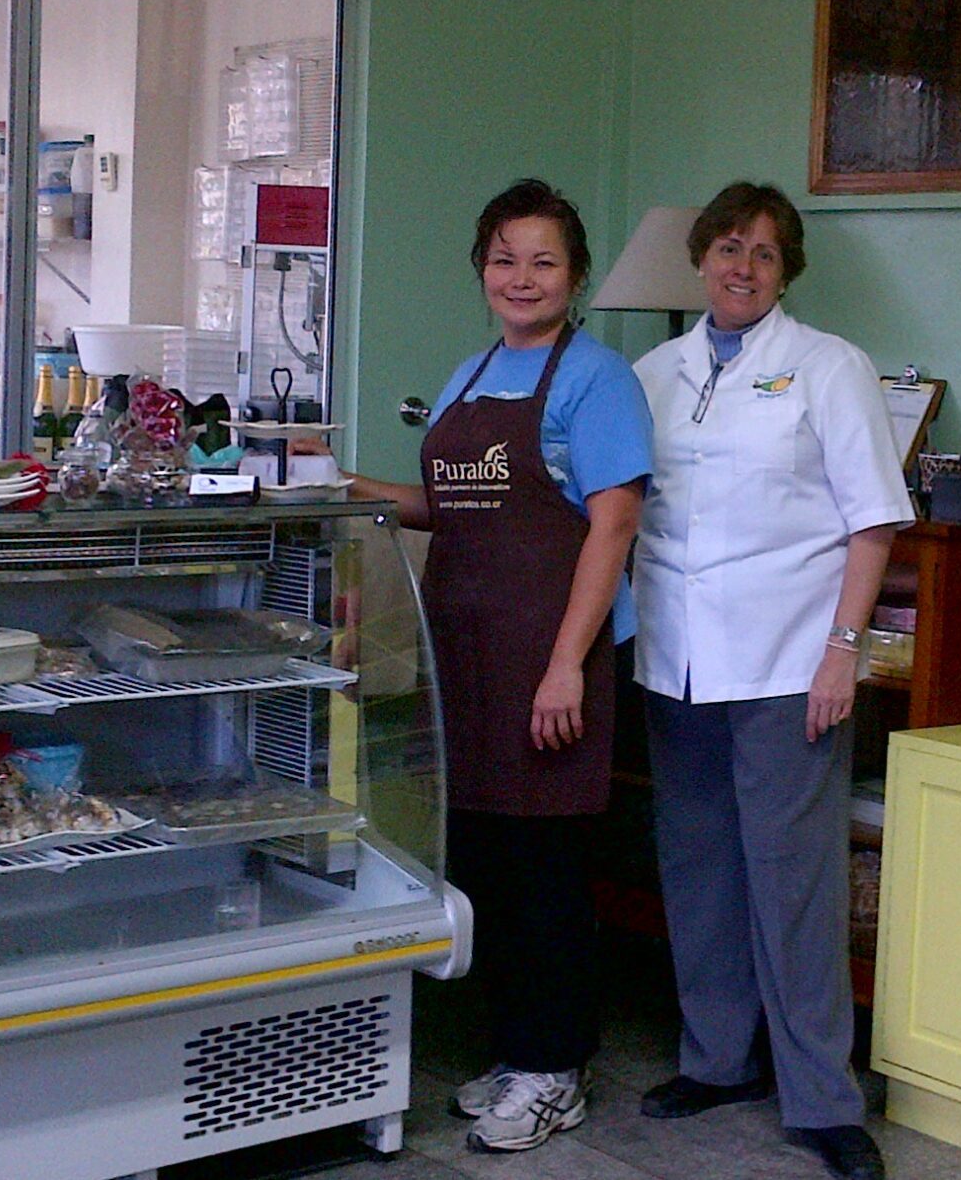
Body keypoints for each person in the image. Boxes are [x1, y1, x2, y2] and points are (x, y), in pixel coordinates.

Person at [347, 179, 651, 1155]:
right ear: (481, 270)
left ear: (577, 274)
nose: (521, 277)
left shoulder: (598, 379)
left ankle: (556, 1067)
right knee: (485, 857)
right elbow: (444, 505)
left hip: (548, 653)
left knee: (548, 865)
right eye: (504, 258)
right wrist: (341, 484)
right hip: (467, 656)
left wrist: (568, 663)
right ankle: (520, 1054)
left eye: (544, 259)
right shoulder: (468, 375)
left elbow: (615, 522)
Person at [630, 181, 914, 1180]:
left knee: (794, 881)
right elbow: (627, 514)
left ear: (784, 269)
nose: (741, 266)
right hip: (676, 660)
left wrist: (844, 646)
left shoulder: (828, 367)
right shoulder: (652, 372)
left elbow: (871, 520)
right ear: (700, 258)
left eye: (762, 252)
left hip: (791, 658)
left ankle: (823, 1100)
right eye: (727, 248)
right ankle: (716, 1060)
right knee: (698, 868)